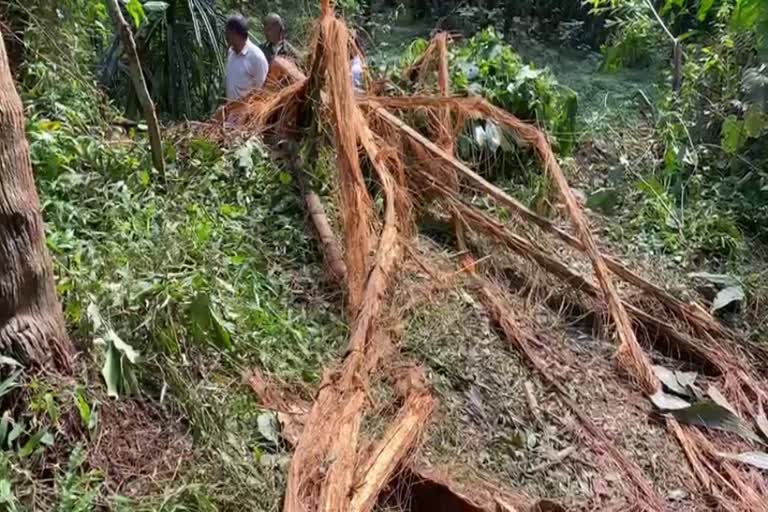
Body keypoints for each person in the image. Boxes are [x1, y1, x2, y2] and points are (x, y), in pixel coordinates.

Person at [224, 15, 268, 101]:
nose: (226, 37)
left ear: (235, 33)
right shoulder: (231, 52)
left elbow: (261, 90)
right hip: (230, 110)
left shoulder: (256, 57)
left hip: (248, 112)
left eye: (228, 33)